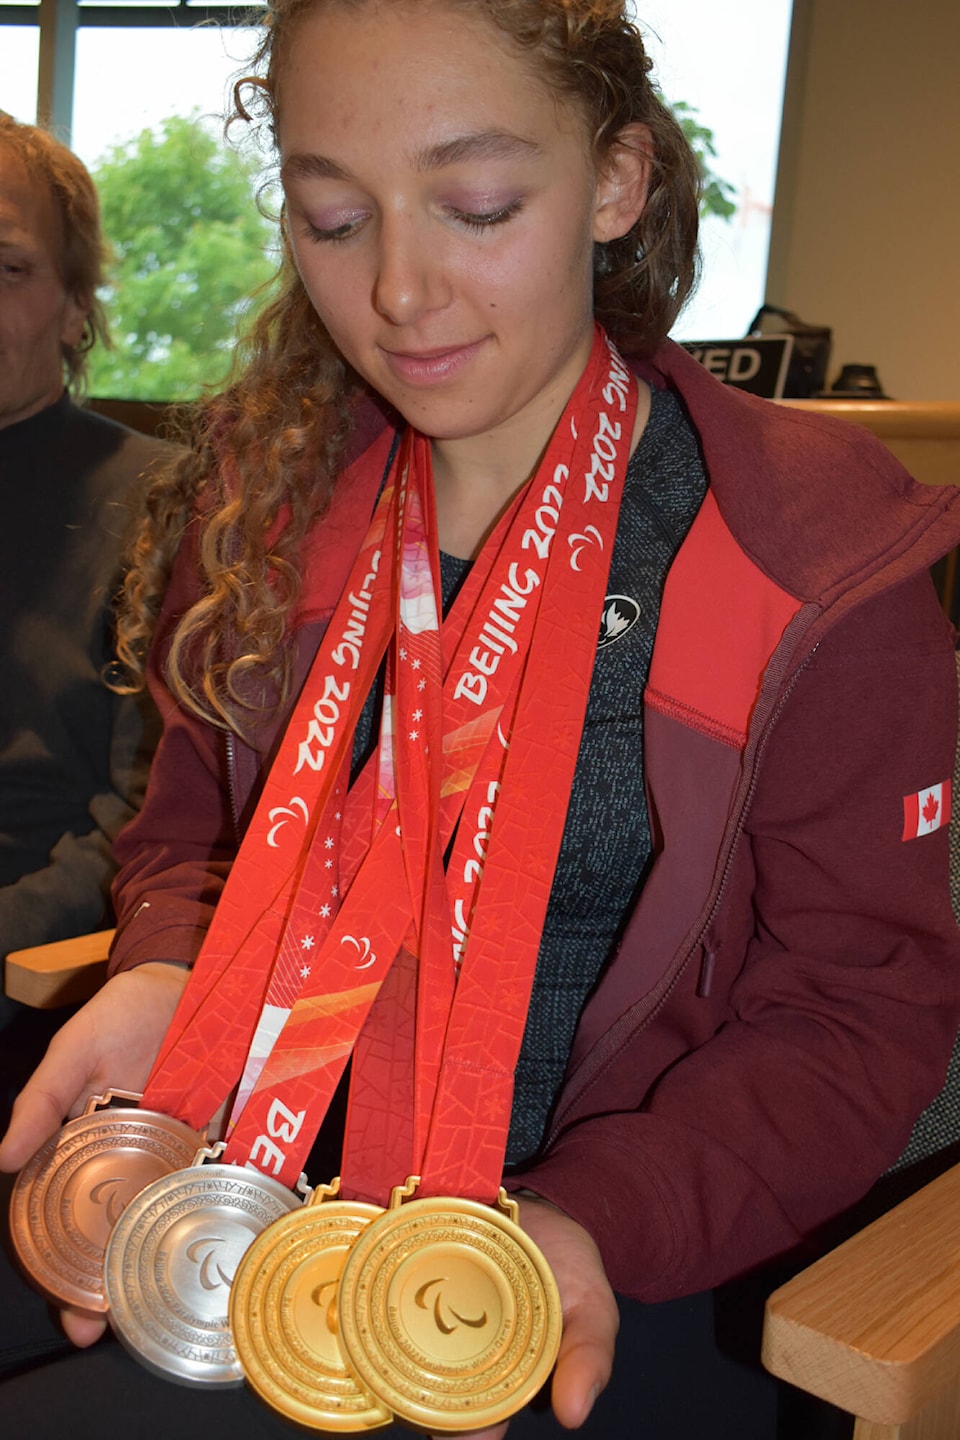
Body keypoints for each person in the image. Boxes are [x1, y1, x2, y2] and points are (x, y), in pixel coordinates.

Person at [1, 3, 959, 1437]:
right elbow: (186, 838)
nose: (399, 290)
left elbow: (855, 1010)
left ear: (618, 182)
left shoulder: (815, 563)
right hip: (254, 1174)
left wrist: (590, 1222)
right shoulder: (262, 504)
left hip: (612, 1256)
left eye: (478, 205)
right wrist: (168, 975)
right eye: (333, 219)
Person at [0, 114, 173, 1079]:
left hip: (41, 993)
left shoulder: (166, 503)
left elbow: (145, 819)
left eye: (9, 268)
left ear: (76, 306)